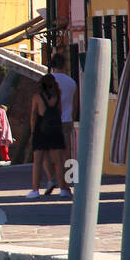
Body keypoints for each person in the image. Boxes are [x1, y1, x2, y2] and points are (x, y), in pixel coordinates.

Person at [27, 74, 65, 199]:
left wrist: (33, 133)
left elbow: (34, 116)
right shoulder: (57, 97)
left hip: (40, 130)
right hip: (55, 129)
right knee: (59, 162)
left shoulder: (37, 97)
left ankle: (35, 190)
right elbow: (59, 113)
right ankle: (63, 189)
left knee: (38, 161)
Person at [50, 54, 78, 198]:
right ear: (64, 65)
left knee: (56, 156)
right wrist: (71, 119)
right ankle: (70, 183)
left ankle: (62, 187)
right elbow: (74, 104)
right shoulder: (72, 82)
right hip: (67, 121)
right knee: (68, 155)